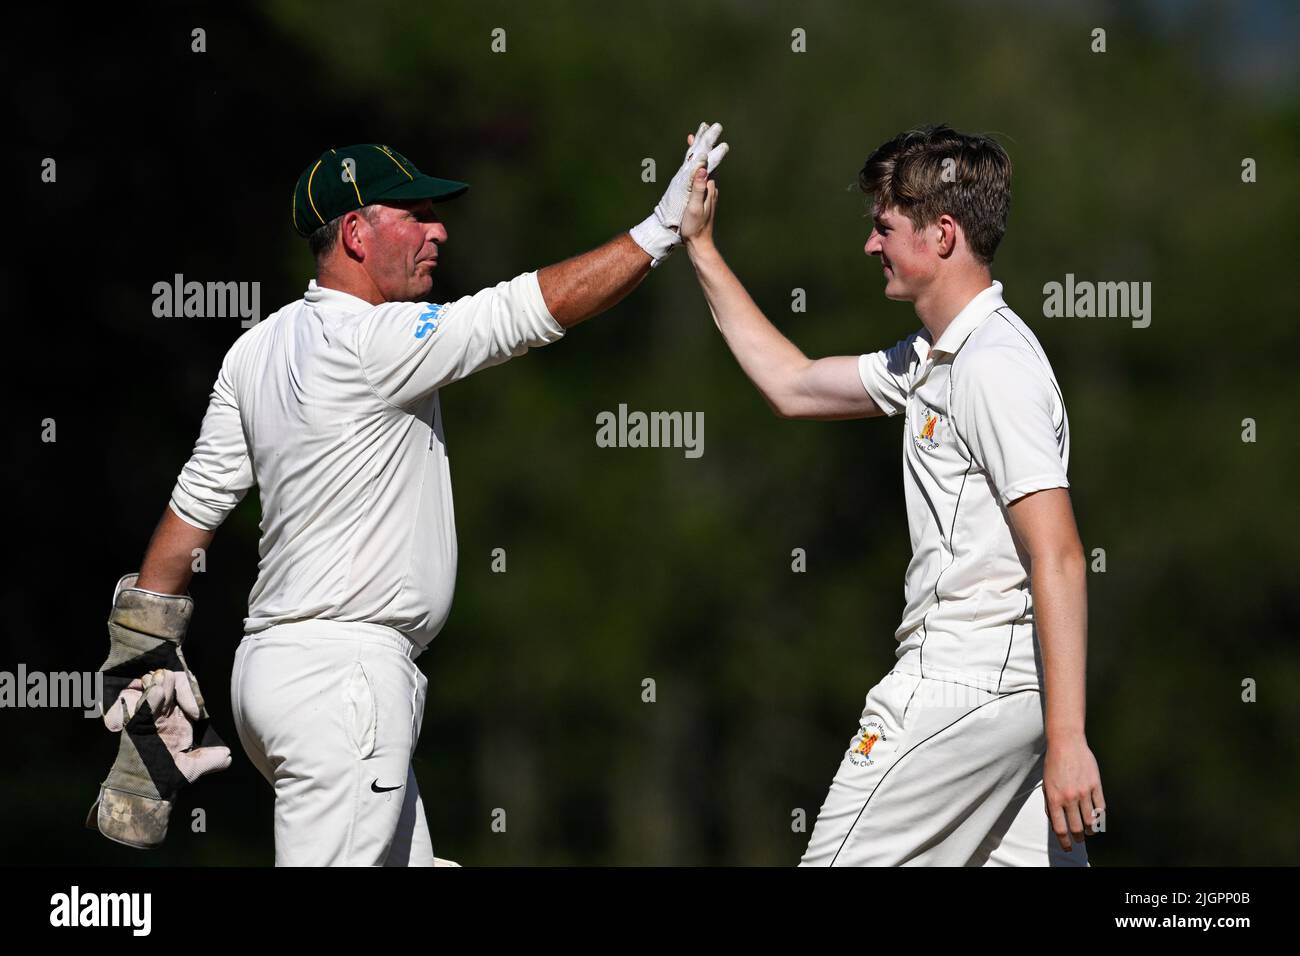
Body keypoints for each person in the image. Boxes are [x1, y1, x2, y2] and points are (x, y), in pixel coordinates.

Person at [89, 127, 729, 865]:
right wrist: (657, 231)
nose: (439, 230)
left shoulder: (255, 350)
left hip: (271, 675)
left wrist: (143, 655)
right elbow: (525, 312)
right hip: (344, 683)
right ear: (357, 233)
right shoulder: (377, 340)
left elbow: (193, 510)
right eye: (416, 214)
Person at [679, 124, 1104, 866]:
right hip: (1007, 706)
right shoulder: (934, 358)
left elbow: (1061, 553)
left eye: (883, 228)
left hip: (958, 688)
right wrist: (701, 248)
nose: (870, 246)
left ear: (942, 235)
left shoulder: (992, 364)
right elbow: (793, 384)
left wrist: (1069, 742)